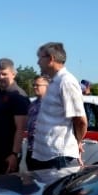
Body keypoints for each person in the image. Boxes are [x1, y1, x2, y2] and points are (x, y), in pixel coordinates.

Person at [32, 42, 88, 170]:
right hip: (46, 156)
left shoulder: (66, 82)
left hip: (57, 156)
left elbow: (80, 120)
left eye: (40, 58)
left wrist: (77, 142)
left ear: (51, 59)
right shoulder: (54, 81)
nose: (38, 62)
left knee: (56, 190)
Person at [26, 75, 49, 171]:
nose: (34, 87)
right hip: (32, 151)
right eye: (34, 85)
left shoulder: (53, 104)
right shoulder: (32, 104)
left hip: (46, 152)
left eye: (37, 85)